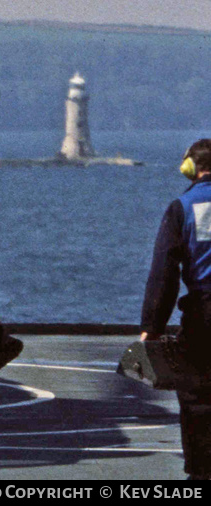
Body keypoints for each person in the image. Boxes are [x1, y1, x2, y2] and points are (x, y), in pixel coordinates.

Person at [139, 138, 211, 480]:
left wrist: (152, 327)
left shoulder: (182, 208)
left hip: (204, 314)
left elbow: (164, 274)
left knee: (197, 397)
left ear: (189, 168)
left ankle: (199, 473)